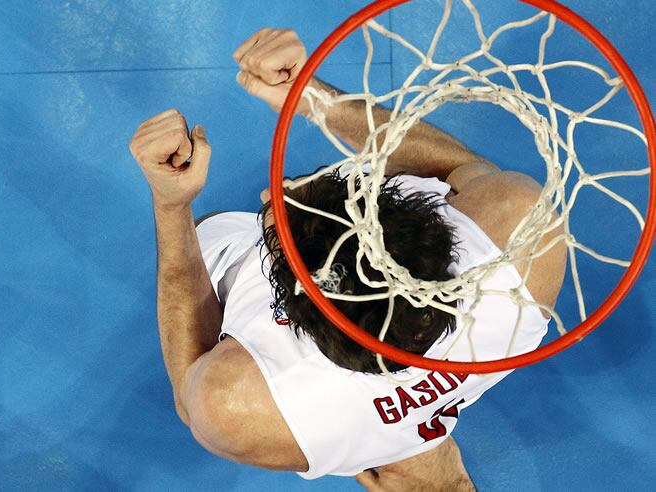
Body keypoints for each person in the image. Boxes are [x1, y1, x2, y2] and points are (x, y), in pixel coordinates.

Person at [129, 28, 566, 491]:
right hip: (363, 421)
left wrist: (172, 207)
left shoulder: (239, 402)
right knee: (419, 468)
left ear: (296, 317)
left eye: (281, 227)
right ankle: (418, 456)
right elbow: (459, 170)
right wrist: (312, 96)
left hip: (332, 405)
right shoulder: (516, 242)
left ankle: (414, 454)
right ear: (427, 228)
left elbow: (188, 382)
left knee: (213, 229)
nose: (271, 194)